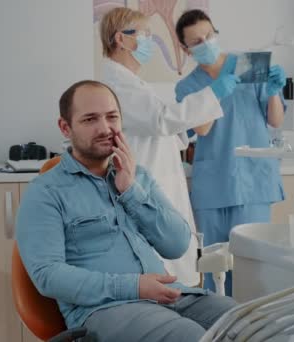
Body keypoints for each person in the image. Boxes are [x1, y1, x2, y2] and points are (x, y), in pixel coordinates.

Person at [15, 80, 236, 341]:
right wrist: (134, 287)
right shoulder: (46, 191)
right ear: (65, 127)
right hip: (107, 309)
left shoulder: (136, 176)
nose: (105, 128)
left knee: (255, 324)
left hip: (173, 296)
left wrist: (130, 191)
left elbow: (176, 244)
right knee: (192, 337)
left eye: (112, 117)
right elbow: (48, 276)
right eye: (90, 119)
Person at [99, 7, 240, 287]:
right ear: (121, 39)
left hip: (154, 181)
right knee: (162, 275)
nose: (150, 42)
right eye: (145, 35)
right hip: (144, 187)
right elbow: (162, 119)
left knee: (173, 271)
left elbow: (162, 127)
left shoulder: (132, 83)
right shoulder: (118, 85)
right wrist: (214, 93)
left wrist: (182, 126)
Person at [175, 9, 287, 296]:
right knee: (215, 268)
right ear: (186, 50)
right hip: (214, 185)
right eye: (197, 41)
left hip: (253, 181)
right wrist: (217, 92)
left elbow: (275, 120)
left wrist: (274, 90)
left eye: (209, 35)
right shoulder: (186, 87)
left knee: (254, 267)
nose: (206, 42)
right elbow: (200, 129)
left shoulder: (248, 66)